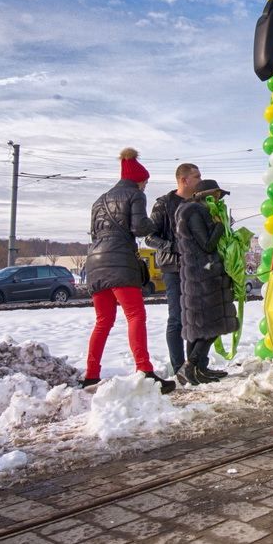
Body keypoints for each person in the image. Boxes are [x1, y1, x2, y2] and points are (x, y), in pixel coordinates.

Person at [83, 149, 174, 393]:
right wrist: (157, 224)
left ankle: (91, 374)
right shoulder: (135, 194)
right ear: (139, 179)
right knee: (135, 315)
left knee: (103, 320)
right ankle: (144, 370)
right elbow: (139, 227)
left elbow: (94, 233)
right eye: (145, 182)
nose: (145, 186)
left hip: (94, 261)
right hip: (119, 261)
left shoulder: (99, 200)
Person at [145, 162, 213, 380]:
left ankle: (198, 367)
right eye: (197, 176)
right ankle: (178, 369)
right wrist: (172, 246)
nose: (201, 180)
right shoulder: (164, 204)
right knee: (177, 319)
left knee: (200, 319)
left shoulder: (201, 202)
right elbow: (149, 237)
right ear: (184, 180)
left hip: (199, 267)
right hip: (174, 268)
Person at [175, 179, 240, 386]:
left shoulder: (189, 210)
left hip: (197, 274)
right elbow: (207, 244)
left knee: (198, 325)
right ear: (208, 195)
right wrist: (220, 226)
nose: (219, 199)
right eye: (217, 195)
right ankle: (190, 366)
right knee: (213, 324)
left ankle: (198, 369)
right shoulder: (195, 212)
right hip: (204, 276)